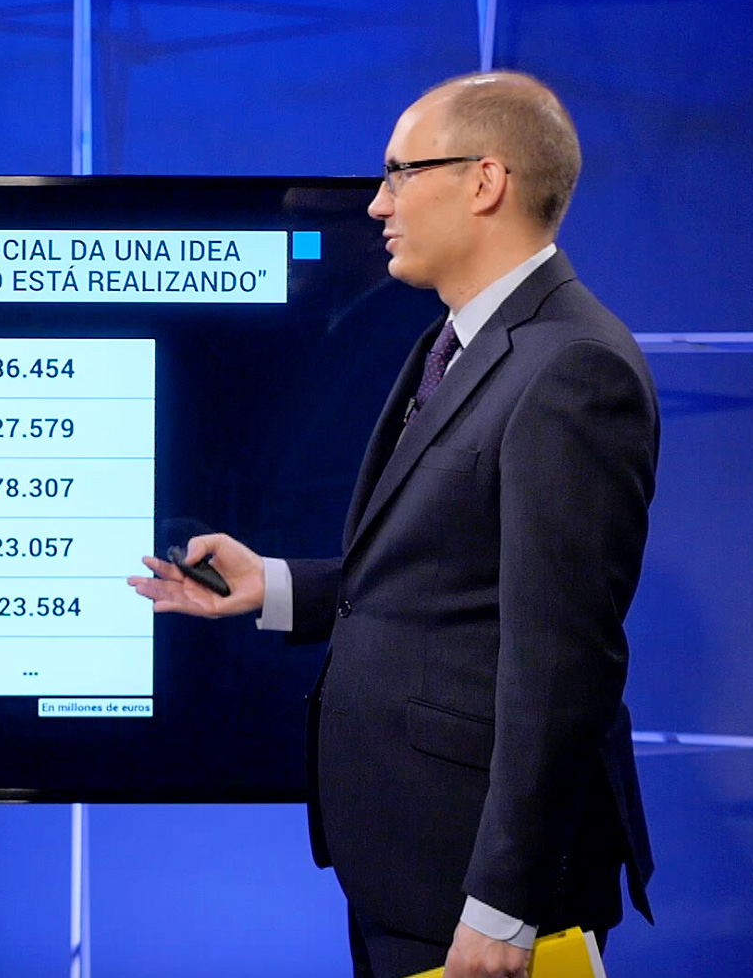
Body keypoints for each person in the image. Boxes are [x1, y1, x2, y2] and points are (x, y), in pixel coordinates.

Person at [129, 72, 656, 978]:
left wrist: (503, 904)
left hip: (482, 897)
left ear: (484, 181)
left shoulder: (572, 368)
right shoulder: (455, 342)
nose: (377, 203)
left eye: (399, 173)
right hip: (410, 874)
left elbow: (562, 663)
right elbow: (451, 576)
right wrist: (275, 584)